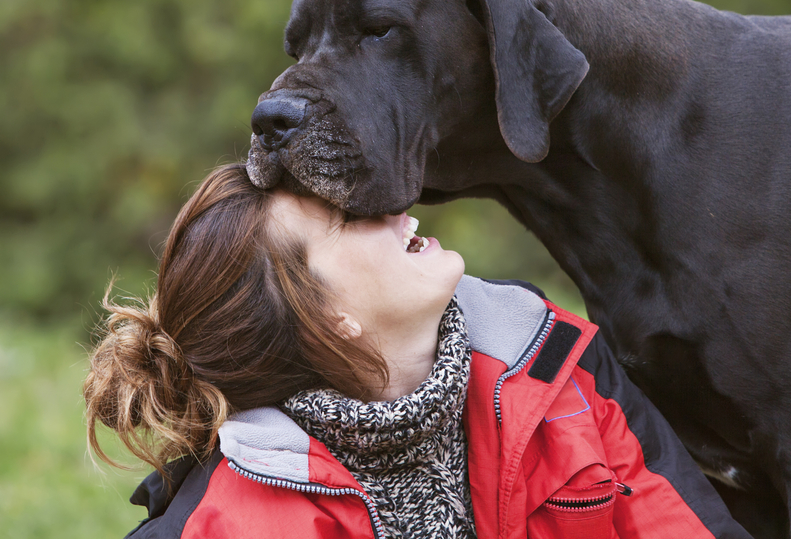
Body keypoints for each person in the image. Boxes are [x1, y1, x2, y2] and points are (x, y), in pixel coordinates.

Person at [84, 162, 750, 539]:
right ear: (326, 315)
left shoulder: (558, 364)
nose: (398, 205)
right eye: (352, 217)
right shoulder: (222, 526)